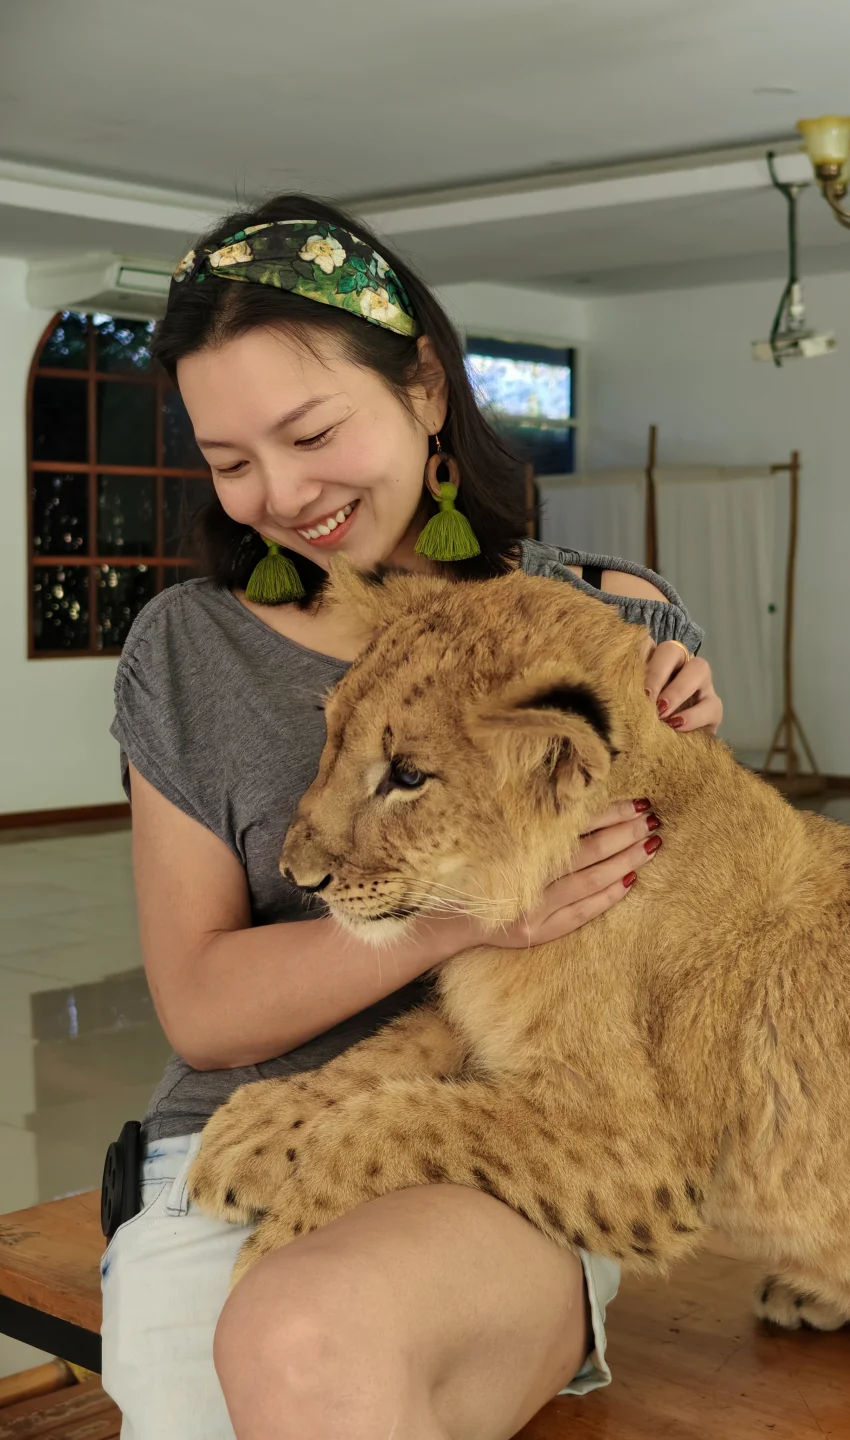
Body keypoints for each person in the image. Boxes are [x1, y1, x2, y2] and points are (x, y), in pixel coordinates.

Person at [101, 193, 723, 1440]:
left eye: (310, 431)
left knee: (305, 1337)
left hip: (515, 1139)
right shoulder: (189, 648)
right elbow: (206, 1010)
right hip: (228, 1151)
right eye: (229, 464)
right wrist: (467, 920)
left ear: (426, 387)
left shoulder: (609, 628)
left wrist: (702, 787)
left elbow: (693, 976)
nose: (279, 494)